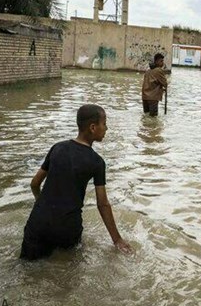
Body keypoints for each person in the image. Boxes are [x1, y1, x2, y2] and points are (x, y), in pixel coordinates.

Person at [20, 105, 132, 260]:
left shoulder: (57, 148)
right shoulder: (96, 162)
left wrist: (42, 206)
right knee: (67, 279)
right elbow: (102, 204)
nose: (106, 128)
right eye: (104, 123)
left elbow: (34, 183)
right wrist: (117, 240)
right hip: (67, 228)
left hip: (37, 224)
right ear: (93, 127)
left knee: (27, 273)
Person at [142, 53, 168, 117]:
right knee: (153, 118)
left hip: (144, 97)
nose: (162, 63)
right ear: (156, 61)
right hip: (152, 98)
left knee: (146, 116)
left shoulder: (148, 71)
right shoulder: (159, 70)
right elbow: (165, 83)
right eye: (161, 61)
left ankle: (145, 127)